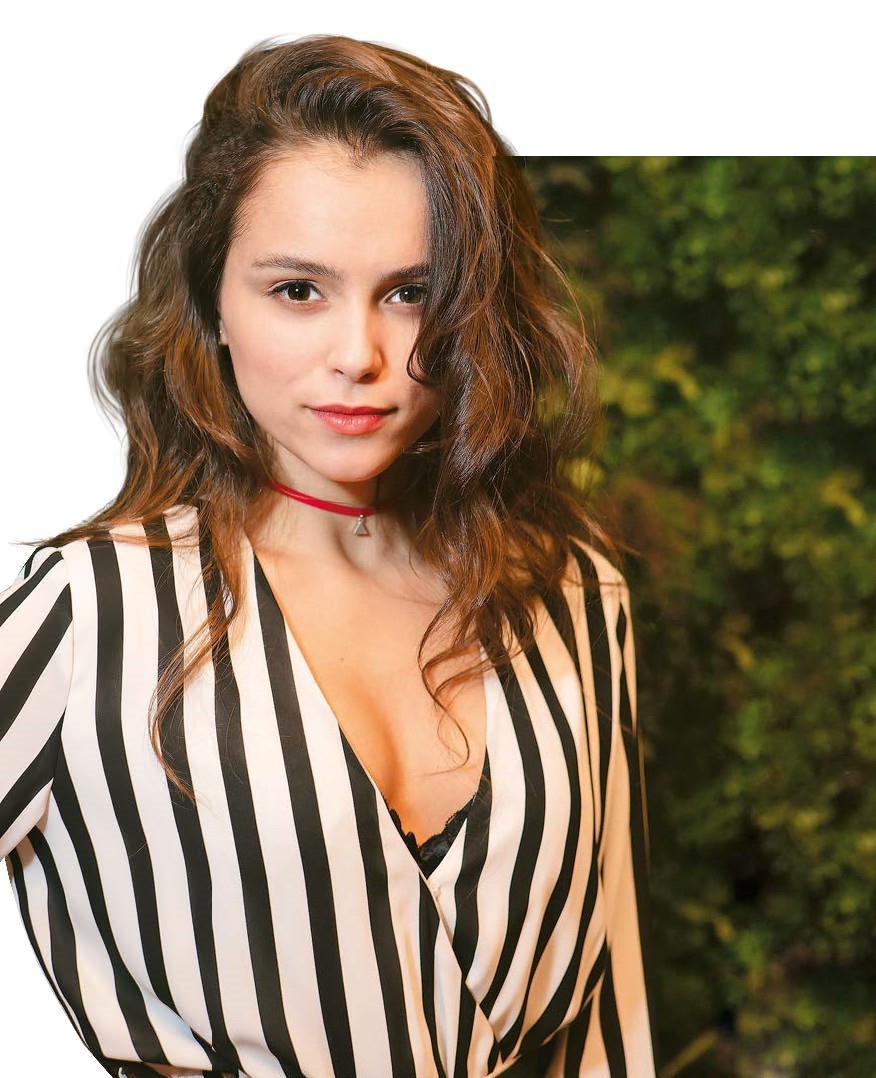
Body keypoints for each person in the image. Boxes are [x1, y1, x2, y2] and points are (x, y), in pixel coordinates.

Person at [0, 32, 656, 1078]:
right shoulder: (92, 616)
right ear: (213, 303)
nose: (360, 355)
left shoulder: (574, 592)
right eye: (298, 290)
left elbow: (607, 1004)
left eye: (411, 292)